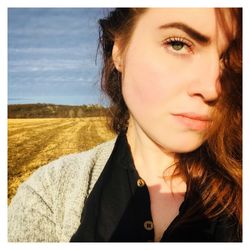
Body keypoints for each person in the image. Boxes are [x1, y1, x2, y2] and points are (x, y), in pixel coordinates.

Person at [8, 8, 242, 242]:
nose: (213, 89)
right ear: (119, 50)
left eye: (229, 58)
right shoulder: (49, 194)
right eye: (178, 44)